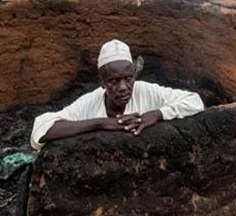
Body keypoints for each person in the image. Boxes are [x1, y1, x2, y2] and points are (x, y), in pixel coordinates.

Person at [30, 39, 205, 150]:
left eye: (128, 78)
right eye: (114, 81)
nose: (123, 87)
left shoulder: (146, 91)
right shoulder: (90, 102)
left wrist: (158, 114)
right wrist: (102, 123)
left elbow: (194, 101)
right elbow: (40, 130)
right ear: (102, 82)